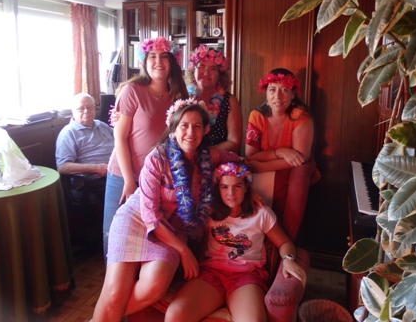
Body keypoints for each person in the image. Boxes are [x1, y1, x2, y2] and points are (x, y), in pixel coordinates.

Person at [92, 100, 241, 321]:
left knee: (155, 284)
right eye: (184, 125)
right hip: (136, 220)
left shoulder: (208, 158)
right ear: (173, 128)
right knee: (114, 294)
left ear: (205, 130)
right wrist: (184, 251)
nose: (190, 132)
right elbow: (151, 216)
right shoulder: (157, 158)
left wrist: (249, 188)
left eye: (197, 126)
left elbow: (237, 162)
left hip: (173, 230)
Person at [165, 162, 307, 322]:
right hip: (211, 273)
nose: (231, 193)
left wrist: (288, 259)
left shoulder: (261, 214)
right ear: (218, 188)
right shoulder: (209, 211)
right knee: (175, 316)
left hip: (246, 276)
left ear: (247, 187)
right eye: (224, 187)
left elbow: (284, 243)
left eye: (237, 186)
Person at [103, 37, 189, 255]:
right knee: (113, 235)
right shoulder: (132, 91)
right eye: (152, 56)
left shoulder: (179, 96)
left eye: (164, 56)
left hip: (157, 178)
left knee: (147, 236)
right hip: (124, 175)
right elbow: (119, 138)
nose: (158, 62)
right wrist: (129, 181)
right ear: (144, 61)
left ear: (172, 61)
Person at [244, 68, 319, 241]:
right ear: (266, 92)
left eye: (284, 90)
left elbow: (300, 159)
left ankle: (286, 242)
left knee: (300, 171)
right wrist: (280, 152)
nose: (277, 96)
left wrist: (260, 167)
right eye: (272, 89)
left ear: (293, 94)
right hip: (279, 162)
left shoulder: (301, 117)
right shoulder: (256, 116)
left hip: (295, 167)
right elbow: (250, 155)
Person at [55, 92, 114, 206]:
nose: (86, 111)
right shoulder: (68, 133)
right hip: (94, 180)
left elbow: (121, 139)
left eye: (90, 107)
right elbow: (62, 167)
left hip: (116, 172)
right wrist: (97, 168)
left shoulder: (101, 125)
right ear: (73, 111)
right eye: (81, 109)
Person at [186, 45, 242, 153]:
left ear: (220, 75)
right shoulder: (183, 96)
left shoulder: (230, 101)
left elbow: (234, 142)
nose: (206, 73)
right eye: (201, 66)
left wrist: (204, 155)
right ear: (193, 71)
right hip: (187, 156)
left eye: (212, 68)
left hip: (218, 158)